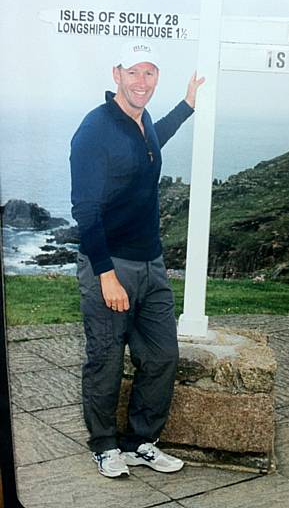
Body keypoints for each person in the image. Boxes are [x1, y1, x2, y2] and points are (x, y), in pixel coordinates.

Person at [70, 40, 204, 478]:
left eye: (149, 73)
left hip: (151, 264)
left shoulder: (143, 121)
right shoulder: (95, 129)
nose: (141, 82)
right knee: (106, 359)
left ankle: (140, 441)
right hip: (110, 264)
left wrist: (187, 105)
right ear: (116, 75)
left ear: (156, 78)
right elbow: (85, 210)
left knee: (163, 355)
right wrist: (105, 274)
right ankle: (105, 445)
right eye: (133, 73)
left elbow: (153, 143)